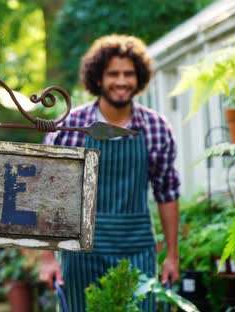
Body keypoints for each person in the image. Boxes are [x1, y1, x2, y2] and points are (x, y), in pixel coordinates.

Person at [39, 34, 180, 311]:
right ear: (98, 78)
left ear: (139, 77)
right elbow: (49, 192)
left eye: (128, 74)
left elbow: (168, 192)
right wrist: (47, 257)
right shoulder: (72, 126)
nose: (121, 81)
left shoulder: (155, 127)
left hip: (137, 250)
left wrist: (172, 255)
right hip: (82, 253)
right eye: (113, 73)